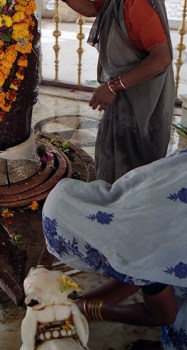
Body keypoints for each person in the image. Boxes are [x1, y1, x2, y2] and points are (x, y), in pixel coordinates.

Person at [32, 0, 175, 183]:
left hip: (137, 95)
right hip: (123, 90)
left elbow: (162, 58)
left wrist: (113, 86)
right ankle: (115, 202)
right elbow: (89, 8)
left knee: (132, 160)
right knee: (117, 153)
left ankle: (125, 210)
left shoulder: (141, 4)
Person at [42, 149, 187, 350]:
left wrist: (92, 310)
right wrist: (81, 305)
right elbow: (135, 272)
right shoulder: (126, 204)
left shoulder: (146, 247)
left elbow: (163, 314)